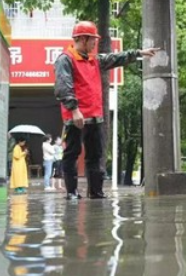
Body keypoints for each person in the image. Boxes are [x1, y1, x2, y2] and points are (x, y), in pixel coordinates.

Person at [54, 20, 159, 200]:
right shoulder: (66, 59)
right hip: (76, 117)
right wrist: (74, 109)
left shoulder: (94, 59)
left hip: (95, 116)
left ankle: (96, 192)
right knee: (72, 154)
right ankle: (71, 192)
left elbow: (115, 58)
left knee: (96, 155)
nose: (95, 43)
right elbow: (63, 87)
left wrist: (139, 53)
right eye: (92, 39)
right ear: (82, 39)